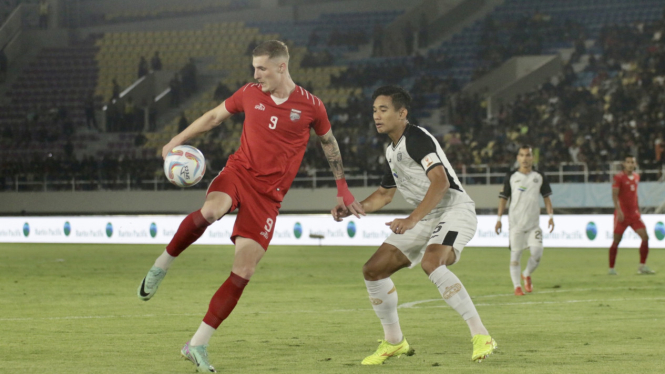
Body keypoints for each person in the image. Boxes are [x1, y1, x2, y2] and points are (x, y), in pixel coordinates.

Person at [136, 40, 364, 373]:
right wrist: (177, 140)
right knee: (212, 210)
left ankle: (196, 344)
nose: (256, 75)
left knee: (244, 270)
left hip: (269, 196)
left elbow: (328, 143)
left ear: (282, 67)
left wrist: (342, 188)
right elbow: (214, 116)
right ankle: (161, 264)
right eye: (254, 68)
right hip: (239, 172)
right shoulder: (249, 93)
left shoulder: (312, 106)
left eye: (262, 68)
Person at [332, 85, 496, 366]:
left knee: (432, 262)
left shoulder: (416, 138)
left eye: (383, 110)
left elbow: (441, 183)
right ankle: (394, 342)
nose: (377, 116)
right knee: (373, 270)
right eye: (374, 110)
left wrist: (411, 219)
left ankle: (482, 335)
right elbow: (384, 195)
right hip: (428, 214)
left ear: (402, 113)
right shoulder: (392, 151)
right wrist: (352, 208)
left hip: (454, 209)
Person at [495, 145, 554, 296]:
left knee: (537, 253)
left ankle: (526, 274)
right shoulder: (511, 176)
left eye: (528, 155)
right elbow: (503, 199)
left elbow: (546, 198)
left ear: (532, 158)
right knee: (515, 256)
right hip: (516, 224)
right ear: (518, 158)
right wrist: (499, 218)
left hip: (534, 224)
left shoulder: (539, 176)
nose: (525, 158)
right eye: (522, 155)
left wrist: (551, 217)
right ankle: (517, 287)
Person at [608, 155, 655, 275]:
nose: (630, 164)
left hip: (634, 215)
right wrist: (618, 211)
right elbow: (614, 195)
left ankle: (642, 266)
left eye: (632, 162)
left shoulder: (636, 176)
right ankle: (611, 268)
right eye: (628, 162)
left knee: (645, 237)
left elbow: (635, 195)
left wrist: (637, 209)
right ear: (624, 164)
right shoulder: (619, 177)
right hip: (622, 215)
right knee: (616, 241)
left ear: (635, 164)